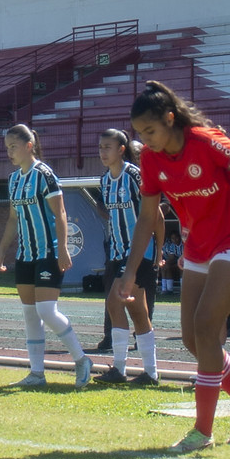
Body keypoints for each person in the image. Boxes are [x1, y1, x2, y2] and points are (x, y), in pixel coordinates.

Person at [111, 80, 230, 452]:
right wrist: (129, 271)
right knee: (193, 339)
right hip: (199, 247)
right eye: (140, 133)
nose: (147, 140)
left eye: (151, 130)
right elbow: (146, 218)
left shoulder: (207, 142)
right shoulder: (151, 159)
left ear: (171, 119)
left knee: (207, 326)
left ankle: (202, 432)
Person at [0, 125, 92, 389]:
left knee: (46, 310)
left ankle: (81, 359)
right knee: (29, 314)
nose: (9, 152)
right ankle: (36, 373)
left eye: (13, 146)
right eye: (6, 148)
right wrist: (3, 249)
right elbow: (13, 218)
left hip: (48, 252)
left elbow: (60, 214)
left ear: (29, 145)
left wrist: (63, 249)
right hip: (25, 255)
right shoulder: (14, 179)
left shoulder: (45, 175)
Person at [95, 128, 161, 386]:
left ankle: (121, 369)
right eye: (100, 147)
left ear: (121, 149)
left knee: (115, 302)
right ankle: (150, 373)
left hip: (138, 252)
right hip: (116, 251)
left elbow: (153, 214)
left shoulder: (134, 176)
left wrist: (158, 250)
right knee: (137, 311)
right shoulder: (105, 181)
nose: (102, 152)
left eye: (107, 147)